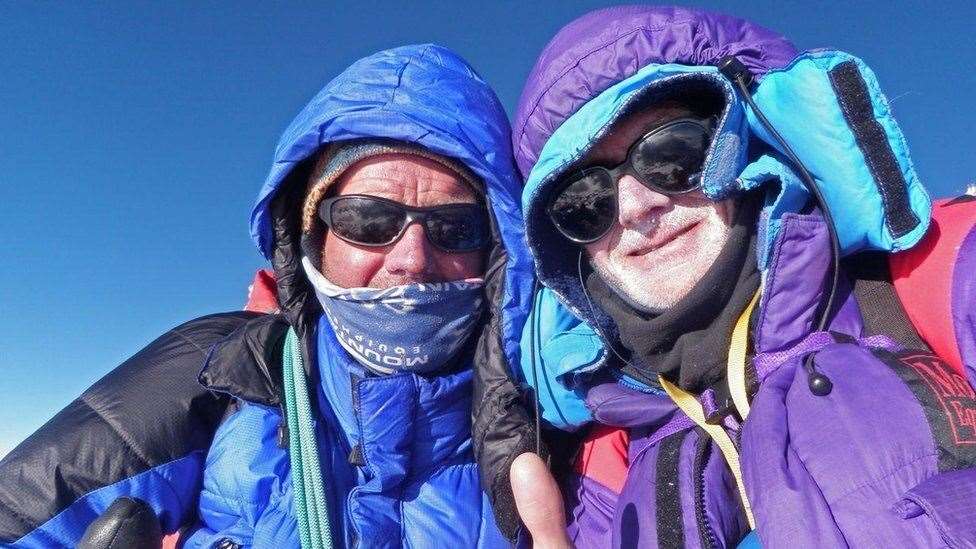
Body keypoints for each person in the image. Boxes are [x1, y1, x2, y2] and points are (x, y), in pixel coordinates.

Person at [472, 6, 976, 547]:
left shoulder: (934, 274)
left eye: (671, 154)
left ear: (743, 145)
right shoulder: (604, 461)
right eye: (583, 202)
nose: (636, 206)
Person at [0, 44, 533, 548]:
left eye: (456, 228)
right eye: (369, 220)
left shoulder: (546, 406)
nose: (412, 258)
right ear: (311, 238)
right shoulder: (223, 367)